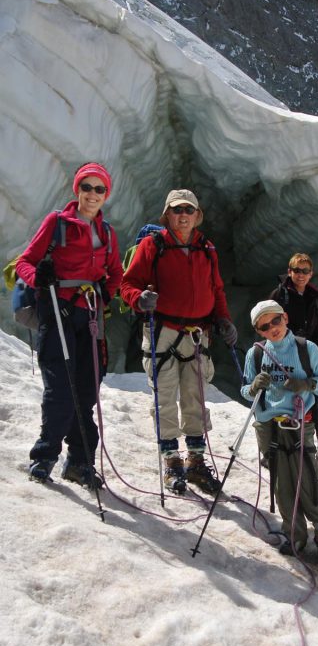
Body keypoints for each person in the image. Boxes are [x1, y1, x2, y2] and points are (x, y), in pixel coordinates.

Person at [119, 188, 237, 495]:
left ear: (197, 216)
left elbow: (217, 289)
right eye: (177, 210)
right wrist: (138, 298)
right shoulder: (152, 245)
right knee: (165, 397)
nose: (182, 215)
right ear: (167, 215)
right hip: (164, 332)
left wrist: (223, 320)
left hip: (198, 335)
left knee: (195, 397)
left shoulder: (207, 249)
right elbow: (127, 283)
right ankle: (171, 462)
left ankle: (195, 462)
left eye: (188, 210)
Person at [17, 162, 123, 487]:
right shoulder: (58, 223)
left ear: (106, 194)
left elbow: (116, 272)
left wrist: (106, 291)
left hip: (88, 316)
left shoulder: (106, 232)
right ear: (77, 190)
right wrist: (40, 278)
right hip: (58, 309)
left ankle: (80, 462)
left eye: (99, 189)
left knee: (86, 391)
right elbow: (24, 262)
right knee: (61, 389)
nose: (92, 194)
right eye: (86, 187)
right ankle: (45, 457)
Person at [241, 300, 318, 567]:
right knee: (282, 482)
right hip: (269, 426)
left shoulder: (306, 349)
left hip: (299, 423)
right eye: (265, 326)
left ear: (285, 318)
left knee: (306, 477)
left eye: (275, 321)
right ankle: (293, 533)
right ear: (259, 331)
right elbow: (244, 389)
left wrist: (307, 384)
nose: (272, 328)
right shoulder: (257, 354)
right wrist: (253, 387)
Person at [269, 253, 318, 352]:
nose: (301, 275)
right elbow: (268, 325)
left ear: (310, 274)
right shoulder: (279, 295)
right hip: (284, 352)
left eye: (305, 271)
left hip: (308, 353)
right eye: (296, 270)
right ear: (289, 272)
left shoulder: (315, 298)